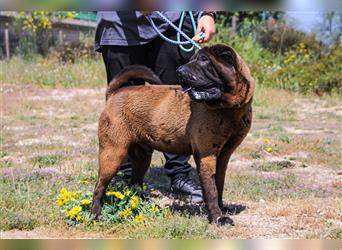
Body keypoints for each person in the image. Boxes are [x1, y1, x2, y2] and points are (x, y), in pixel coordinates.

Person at [95, 11, 216, 203]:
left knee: (180, 104)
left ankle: (179, 175)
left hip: (172, 21)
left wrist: (207, 13)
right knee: (122, 109)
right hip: (118, 25)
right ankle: (124, 178)